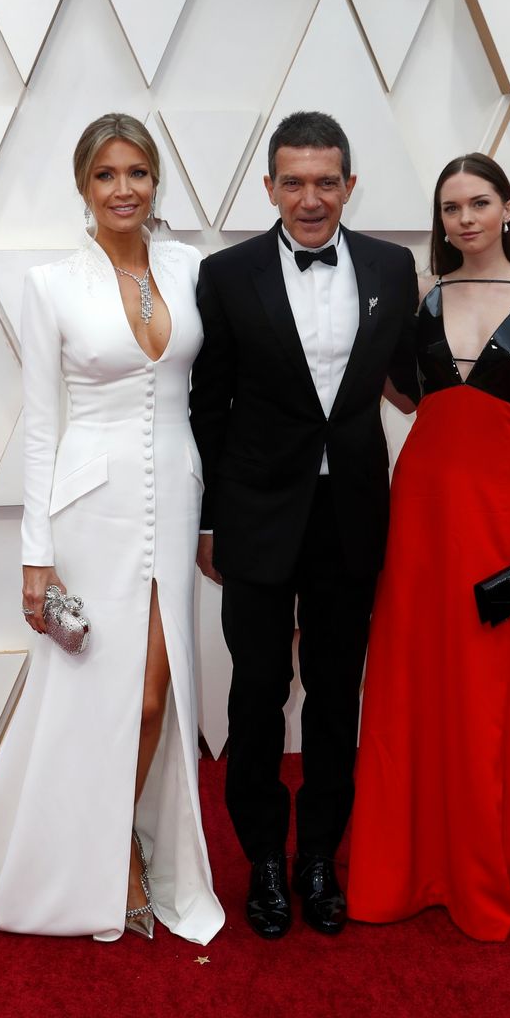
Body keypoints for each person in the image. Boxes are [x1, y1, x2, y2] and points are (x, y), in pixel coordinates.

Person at [0, 113, 224, 946]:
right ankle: (116, 858)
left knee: (157, 695)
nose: (122, 189)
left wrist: (216, 513)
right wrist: (36, 558)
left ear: (156, 181)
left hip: (175, 495)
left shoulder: (191, 269)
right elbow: (42, 427)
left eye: (136, 172)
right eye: (105, 174)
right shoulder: (52, 285)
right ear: (82, 185)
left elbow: (214, 396)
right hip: (90, 510)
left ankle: (120, 836)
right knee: (97, 694)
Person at [189, 111, 418, 939]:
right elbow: (208, 407)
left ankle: (319, 853)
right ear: (269, 187)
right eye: (294, 182)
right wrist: (209, 522)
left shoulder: (393, 266)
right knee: (256, 693)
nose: (310, 199)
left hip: (350, 512)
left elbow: (411, 378)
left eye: (326, 182)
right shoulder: (227, 274)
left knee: (333, 691)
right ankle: (263, 858)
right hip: (255, 513)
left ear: (350, 185)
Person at [347, 152, 510, 942]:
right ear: (440, 222)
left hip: (503, 504)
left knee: (491, 680)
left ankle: (488, 848)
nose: (465, 219)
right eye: (451, 208)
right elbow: (411, 396)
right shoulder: (426, 296)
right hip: (422, 504)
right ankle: (413, 851)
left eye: (479, 202)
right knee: (417, 669)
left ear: (508, 208)